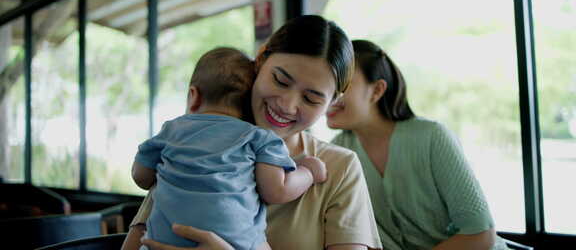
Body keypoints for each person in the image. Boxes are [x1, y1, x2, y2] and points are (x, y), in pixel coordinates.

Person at [121, 15, 383, 250]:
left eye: (311, 98)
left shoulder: (339, 168)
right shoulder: (193, 148)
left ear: (331, 103)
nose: (287, 105)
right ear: (260, 61)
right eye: (280, 80)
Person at [131, 47, 327, 250]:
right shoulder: (258, 137)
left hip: (162, 240)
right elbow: (276, 190)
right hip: (235, 242)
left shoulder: (172, 130)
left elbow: (140, 176)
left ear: (193, 96)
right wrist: (309, 172)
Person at [326, 39, 510, 250]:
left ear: (377, 90)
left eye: (342, 85)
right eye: (328, 85)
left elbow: (480, 234)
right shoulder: (338, 151)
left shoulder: (432, 137)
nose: (330, 95)